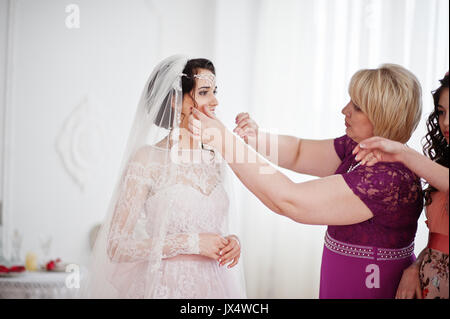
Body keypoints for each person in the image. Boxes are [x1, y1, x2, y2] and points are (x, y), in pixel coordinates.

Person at [190, 64, 423, 298]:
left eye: (357, 107)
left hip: (369, 288)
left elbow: (289, 200)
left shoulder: (388, 178)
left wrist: (225, 142)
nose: (344, 110)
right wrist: (253, 139)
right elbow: (298, 151)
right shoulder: (359, 148)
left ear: (383, 116)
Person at [80, 55, 246, 299]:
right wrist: (193, 243)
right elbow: (116, 245)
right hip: (166, 288)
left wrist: (231, 243)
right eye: (204, 92)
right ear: (176, 101)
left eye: (215, 91)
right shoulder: (147, 160)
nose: (215, 100)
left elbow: (214, 228)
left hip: (216, 287)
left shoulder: (216, 159)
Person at [353, 72, 449, 299]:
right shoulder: (442, 164)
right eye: (442, 112)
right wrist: (415, 267)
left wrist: (403, 153)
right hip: (430, 285)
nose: (446, 122)